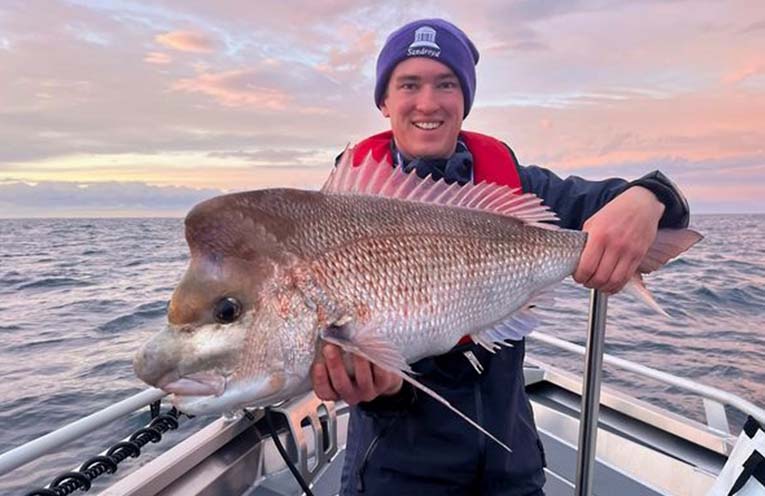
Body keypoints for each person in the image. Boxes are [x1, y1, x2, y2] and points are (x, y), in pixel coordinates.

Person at [310, 18, 689, 495]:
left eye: (446, 84)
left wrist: (649, 197)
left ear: (465, 99)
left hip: (511, 467)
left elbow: (666, 216)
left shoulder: (517, 185)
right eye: (409, 84)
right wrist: (385, 392)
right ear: (384, 101)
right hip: (396, 475)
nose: (428, 102)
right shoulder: (342, 211)